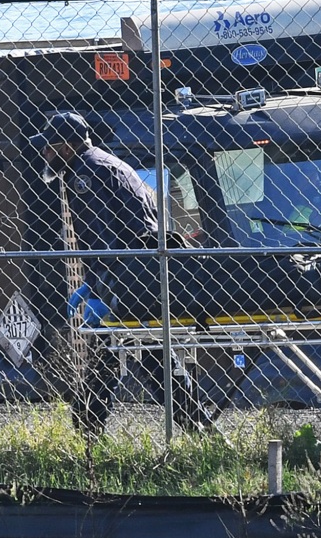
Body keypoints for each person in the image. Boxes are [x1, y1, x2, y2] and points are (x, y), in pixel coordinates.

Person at [29, 111, 207, 433]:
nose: (44, 153)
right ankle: (195, 425)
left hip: (129, 276)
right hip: (141, 271)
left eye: (49, 147)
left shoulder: (84, 174)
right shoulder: (104, 162)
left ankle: (88, 431)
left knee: (127, 354)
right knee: (143, 355)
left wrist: (100, 288)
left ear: (66, 148)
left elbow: (103, 239)